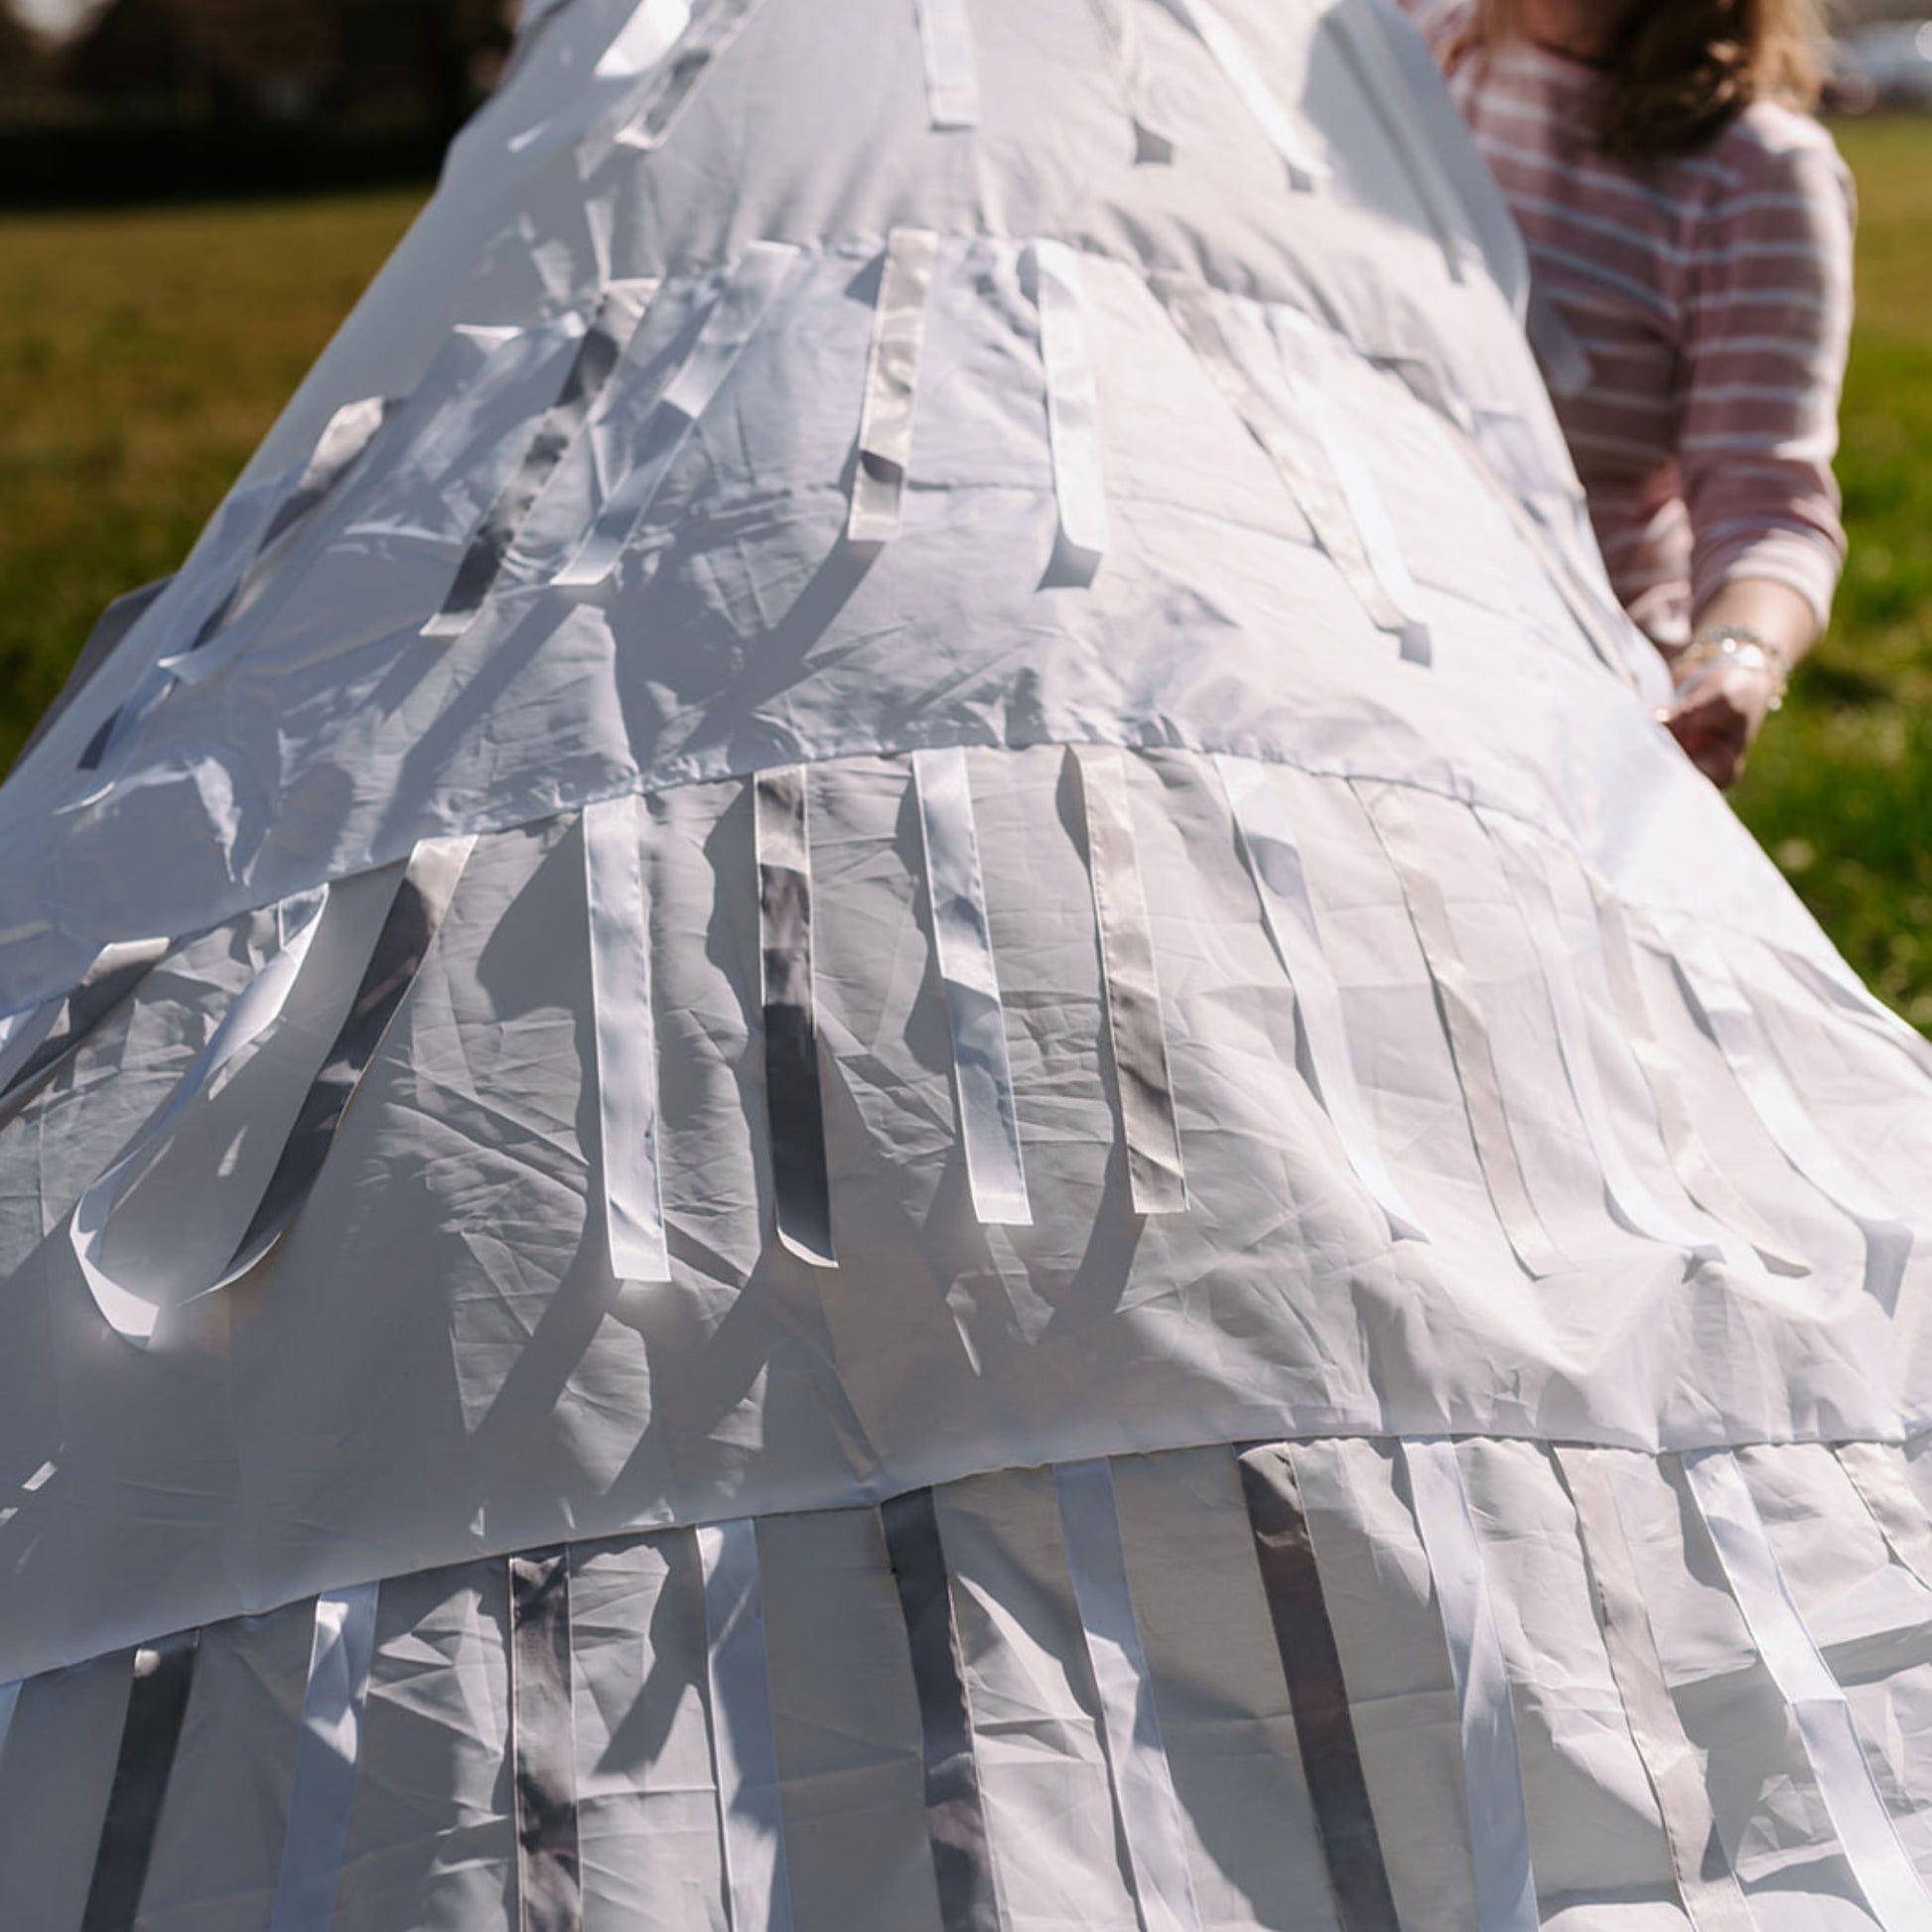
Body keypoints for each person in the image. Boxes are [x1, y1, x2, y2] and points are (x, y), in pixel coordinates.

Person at [1403, 0, 1856, 788]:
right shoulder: (1397, 47)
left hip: (1564, 706)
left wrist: (1733, 659)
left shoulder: (1758, 174)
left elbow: (1766, 506)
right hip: (1348, 643)